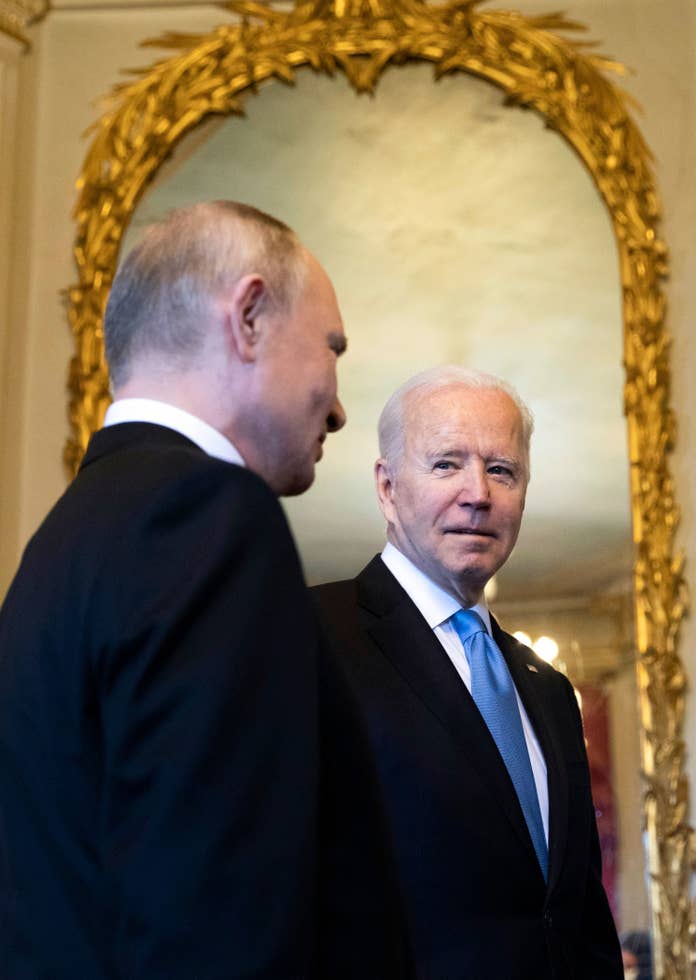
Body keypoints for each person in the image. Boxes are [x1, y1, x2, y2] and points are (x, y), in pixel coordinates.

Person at [0, 202, 408, 979]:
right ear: (249, 316)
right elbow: (217, 924)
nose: (341, 405)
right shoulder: (210, 516)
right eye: (332, 350)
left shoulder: (59, 547)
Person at [312, 365, 624, 979]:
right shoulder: (309, 636)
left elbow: (577, 913)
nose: (478, 493)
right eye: (446, 464)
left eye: (501, 470)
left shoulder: (550, 689)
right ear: (387, 487)